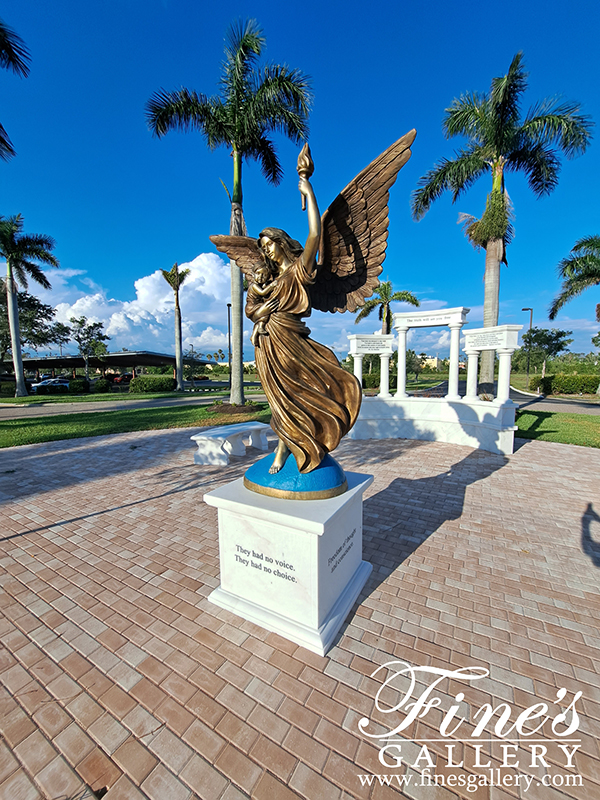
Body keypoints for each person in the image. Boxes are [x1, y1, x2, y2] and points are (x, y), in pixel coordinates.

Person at [245, 177, 361, 475]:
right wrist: (260, 315)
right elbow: (251, 308)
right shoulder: (267, 279)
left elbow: (314, 233)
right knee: (279, 399)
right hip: (268, 343)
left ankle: (299, 444)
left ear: (281, 243)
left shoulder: (300, 270)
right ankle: (284, 447)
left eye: (270, 244)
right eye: (263, 247)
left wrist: (308, 189)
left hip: (291, 340)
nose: (267, 251)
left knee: (298, 393)